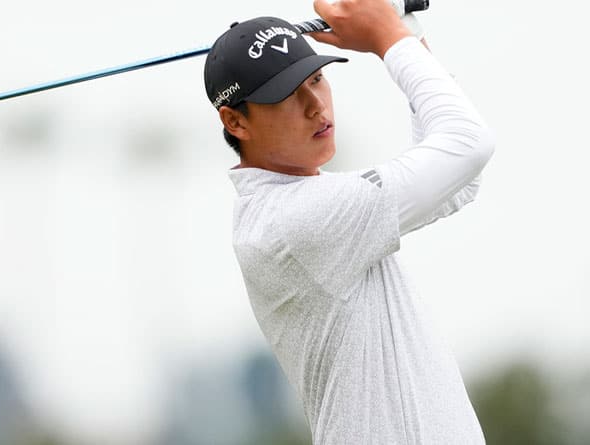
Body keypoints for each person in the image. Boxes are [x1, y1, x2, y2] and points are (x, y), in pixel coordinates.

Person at [203, 0, 495, 443]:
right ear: (235, 121)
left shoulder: (302, 206)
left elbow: (459, 181)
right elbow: (467, 144)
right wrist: (387, 38)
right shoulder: (297, 219)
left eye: (317, 79)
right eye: (285, 96)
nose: (315, 106)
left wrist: (403, 34)